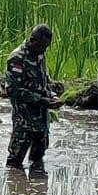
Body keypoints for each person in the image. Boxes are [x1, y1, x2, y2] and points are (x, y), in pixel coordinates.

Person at [6, 24, 62, 174]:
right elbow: (13, 90)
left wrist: (52, 95)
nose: (44, 50)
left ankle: (37, 187)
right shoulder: (17, 58)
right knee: (15, 163)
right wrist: (41, 100)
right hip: (24, 118)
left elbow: (44, 80)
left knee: (38, 160)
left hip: (41, 118)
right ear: (32, 40)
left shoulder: (39, 55)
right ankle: (16, 185)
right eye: (42, 46)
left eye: (46, 47)